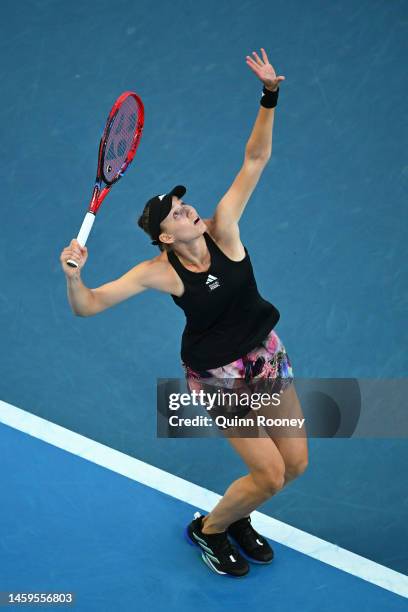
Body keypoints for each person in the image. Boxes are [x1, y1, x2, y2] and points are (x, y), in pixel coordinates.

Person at [60, 48, 308, 578]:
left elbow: (255, 160)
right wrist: (74, 277)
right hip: (219, 375)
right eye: (175, 212)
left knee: (295, 464)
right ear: (166, 237)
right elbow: (89, 308)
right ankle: (210, 529)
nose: (187, 208)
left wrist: (269, 95)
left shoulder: (225, 229)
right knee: (267, 474)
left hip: (265, 357)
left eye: (183, 202)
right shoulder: (160, 272)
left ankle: (238, 515)